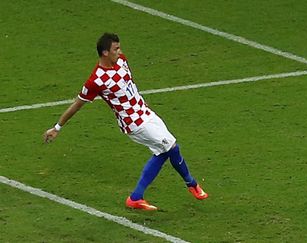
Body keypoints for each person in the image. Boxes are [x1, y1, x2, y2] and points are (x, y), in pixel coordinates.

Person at [43, 33, 208, 211]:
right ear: (105, 52)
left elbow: (130, 85)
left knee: (163, 151)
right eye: (116, 49)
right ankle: (191, 184)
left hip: (146, 113)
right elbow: (77, 105)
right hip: (133, 123)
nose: (119, 51)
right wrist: (57, 127)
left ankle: (136, 197)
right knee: (172, 146)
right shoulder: (96, 81)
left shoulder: (121, 60)